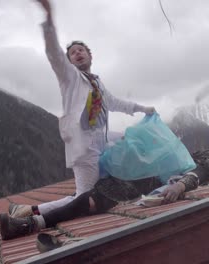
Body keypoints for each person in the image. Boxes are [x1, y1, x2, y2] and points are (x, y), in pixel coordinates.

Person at [21, 0, 156, 217]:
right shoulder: (70, 78)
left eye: (81, 50)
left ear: (90, 55)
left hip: (102, 143)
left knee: (125, 145)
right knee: (84, 198)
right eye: (73, 53)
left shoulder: (97, 83)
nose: (78, 54)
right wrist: (48, 21)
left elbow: (115, 102)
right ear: (70, 62)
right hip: (84, 148)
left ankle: (30, 210)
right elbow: (54, 54)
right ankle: (34, 215)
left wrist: (143, 108)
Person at [0, 148, 209, 240]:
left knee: (89, 200)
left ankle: (28, 224)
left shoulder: (207, 162)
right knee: (89, 197)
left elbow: (200, 172)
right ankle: (29, 220)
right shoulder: (183, 154)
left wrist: (180, 186)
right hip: (135, 181)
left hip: (141, 188)